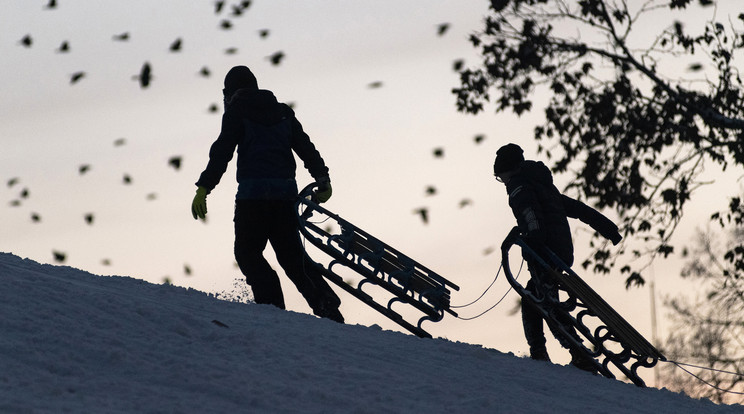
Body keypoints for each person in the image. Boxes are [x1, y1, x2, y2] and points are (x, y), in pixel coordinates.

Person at [191, 65, 343, 323]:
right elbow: (305, 147)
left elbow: (222, 152)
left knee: (248, 253)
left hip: (253, 199)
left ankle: (272, 308)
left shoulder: (237, 112)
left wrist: (204, 187)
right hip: (284, 198)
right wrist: (322, 178)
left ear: (230, 93)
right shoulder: (283, 112)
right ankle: (326, 304)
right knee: (292, 258)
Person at [493, 143, 622, 371]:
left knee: (544, 300)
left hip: (544, 251)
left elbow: (530, 216)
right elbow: (579, 209)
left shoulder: (519, 187)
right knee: (535, 296)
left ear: (507, 171)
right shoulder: (543, 186)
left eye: (501, 177)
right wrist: (608, 228)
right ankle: (546, 350)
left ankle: (573, 351)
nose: (503, 182)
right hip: (560, 251)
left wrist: (532, 241)